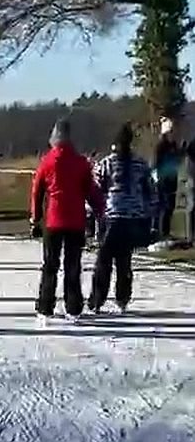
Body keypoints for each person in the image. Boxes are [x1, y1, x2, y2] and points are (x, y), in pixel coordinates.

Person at [30, 120, 104, 322]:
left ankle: (45, 306)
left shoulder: (47, 161)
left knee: (50, 265)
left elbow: (37, 190)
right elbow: (90, 190)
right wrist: (100, 210)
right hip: (75, 220)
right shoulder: (81, 162)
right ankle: (73, 306)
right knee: (73, 264)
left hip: (53, 220)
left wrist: (35, 217)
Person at [89, 123, 157, 314]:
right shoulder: (140, 164)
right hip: (133, 218)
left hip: (112, 217)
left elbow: (96, 191)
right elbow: (151, 192)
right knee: (124, 261)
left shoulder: (106, 164)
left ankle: (97, 300)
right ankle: (123, 299)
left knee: (103, 261)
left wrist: (93, 213)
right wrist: (150, 214)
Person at [152, 117, 183, 239]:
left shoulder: (174, 146)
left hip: (172, 179)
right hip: (163, 180)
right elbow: (156, 163)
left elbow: (177, 161)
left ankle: (166, 231)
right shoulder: (161, 146)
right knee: (161, 206)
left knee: (170, 207)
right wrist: (157, 178)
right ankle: (156, 231)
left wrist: (181, 152)